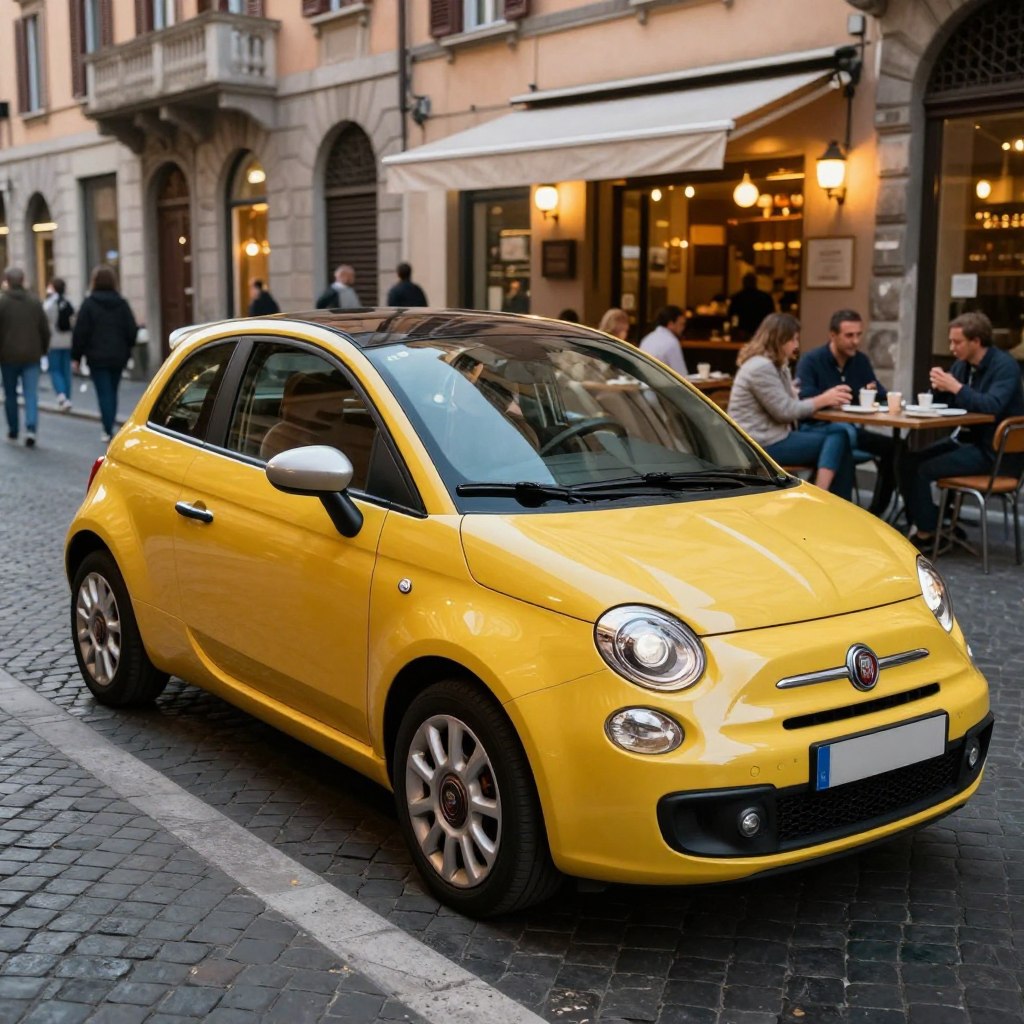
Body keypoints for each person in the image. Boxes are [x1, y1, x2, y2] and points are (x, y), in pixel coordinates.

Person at [899, 311, 1024, 547]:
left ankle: (929, 531)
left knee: (921, 469)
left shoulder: (1004, 366)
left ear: (976, 341)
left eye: (957, 342)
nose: (952, 347)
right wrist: (938, 389)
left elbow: (992, 407)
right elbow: (950, 404)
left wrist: (955, 387)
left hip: (995, 454)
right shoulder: (962, 365)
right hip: (966, 441)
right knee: (906, 460)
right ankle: (937, 522)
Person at [727, 312, 855, 499]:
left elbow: (786, 405)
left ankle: (825, 499)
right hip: (759, 445)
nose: (796, 345)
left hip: (771, 437)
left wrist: (790, 393)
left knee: (839, 436)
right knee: (839, 437)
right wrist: (824, 399)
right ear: (779, 339)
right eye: (793, 339)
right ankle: (825, 499)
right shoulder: (761, 367)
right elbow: (785, 412)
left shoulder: (775, 365)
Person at [796, 309, 895, 515]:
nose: (856, 341)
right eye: (849, 336)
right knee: (843, 443)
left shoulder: (860, 361)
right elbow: (804, 397)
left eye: (859, 335)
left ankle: (876, 512)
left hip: (850, 429)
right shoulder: (812, 361)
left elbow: (879, 392)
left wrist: (873, 393)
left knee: (895, 448)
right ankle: (840, 513)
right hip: (817, 429)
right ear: (833, 335)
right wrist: (829, 397)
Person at [71, 264, 138, 443]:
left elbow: (80, 332)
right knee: (113, 391)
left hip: (96, 356)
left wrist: (76, 357)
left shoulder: (89, 304)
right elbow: (132, 330)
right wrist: (127, 347)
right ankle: (110, 425)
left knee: (103, 392)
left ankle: (107, 428)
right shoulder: (122, 303)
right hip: (118, 355)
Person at [0, 266, 50, 448]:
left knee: (10, 395)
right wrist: (43, 350)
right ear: (22, 280)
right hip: (32, 355)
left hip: (7, 357)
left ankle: (13, 429)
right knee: (31, 394)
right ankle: (30, 429)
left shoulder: (2, 302)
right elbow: (44, 329)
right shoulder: (34, 302)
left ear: (7, 280)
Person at [43, 277, 75, 413]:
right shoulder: (68, 302)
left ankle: (61, 396)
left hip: (53, 342)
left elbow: (44, 323)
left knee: (55, 370)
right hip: (67, 341)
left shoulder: (49, 304)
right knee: (66, 370)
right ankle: (67, 396)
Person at [639, 305, 687, 375]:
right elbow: (681, 375)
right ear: (670, 324)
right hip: (662, 384)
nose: (683, 328)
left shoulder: (646, 339)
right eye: (681, 324)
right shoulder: (671, 342)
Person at [728, 272, 776, 338]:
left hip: (743, 332)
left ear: (743, 283)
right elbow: (772, 316)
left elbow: (732, 316)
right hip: (761, 332)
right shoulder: (765, 297)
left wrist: (735, 329)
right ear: (755, 283)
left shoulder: (737, 298)